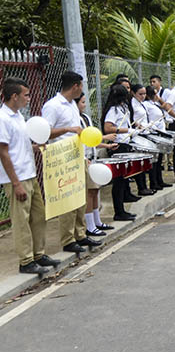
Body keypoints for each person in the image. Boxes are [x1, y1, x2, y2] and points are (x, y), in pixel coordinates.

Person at [0, 78, 59, 274]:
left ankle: (38, 254)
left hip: (30, 174)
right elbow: (3, 152)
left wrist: (35, 147)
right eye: (25, 95)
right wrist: (15, 183)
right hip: (17, 177)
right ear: (14, 96)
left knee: (38, 216)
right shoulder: (3, 118)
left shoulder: (18, 117)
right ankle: (25, 260)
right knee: (21, 220)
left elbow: (18, 145)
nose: (28, 98)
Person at [42, 70, 100, 251]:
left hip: (77, 156)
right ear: (75, 86)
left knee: (80, 198)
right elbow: (45, 132)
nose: (81, 90)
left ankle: (80, 234)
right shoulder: (53, 106)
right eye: (81, 86)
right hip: (62, 159)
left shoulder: (72, 105)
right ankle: (68, 240)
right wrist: (68, 128)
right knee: (68, 201)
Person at [76, 93, 118, 237]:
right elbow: (79, 141)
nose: (84, 105)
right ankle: (90, 225)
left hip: (93, 158)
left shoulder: (86, 118)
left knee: (95, 190)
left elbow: (90, 139)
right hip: (84, 159)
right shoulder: (75, 120)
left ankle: (97, 220)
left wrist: (106, 146)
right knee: (89, 192)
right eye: (82, 102)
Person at [102, 84, 140, 222]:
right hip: (118, 145)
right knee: (118, 181)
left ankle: (123, 209)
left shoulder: (122, 108)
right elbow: (108, 128)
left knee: (124, 179)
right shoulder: (113, 110)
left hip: (125, 144)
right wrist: (126, 131)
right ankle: (118, 212)